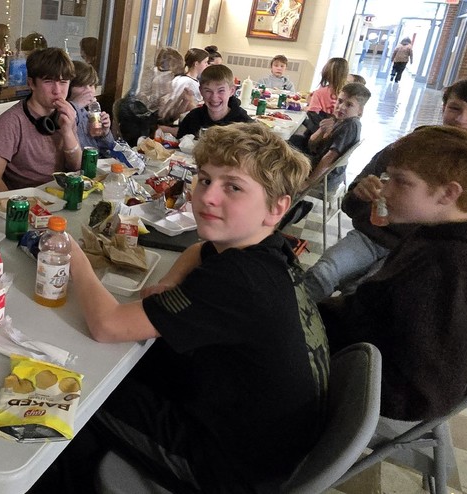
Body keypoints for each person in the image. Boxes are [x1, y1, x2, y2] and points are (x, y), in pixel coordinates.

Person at [31, 123, 330, 493]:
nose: (208, 198)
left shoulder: (240, 281)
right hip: (261, 434)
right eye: (205, 180)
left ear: (276, 208)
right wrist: (171, 282)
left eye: (233, 187)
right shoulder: (265, 251)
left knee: (80, 392)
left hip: (229, 468)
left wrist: (71, 255)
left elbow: (107, 325)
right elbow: (198, 250)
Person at [318, 126, 467, 421]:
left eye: (401, 182)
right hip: (358, 350)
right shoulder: (438, 235)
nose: (385, 190)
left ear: (448, 193)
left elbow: (416, 393)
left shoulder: (454, 269)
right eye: (388, 178)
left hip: (365, 385)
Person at [301, 77, 467, 302]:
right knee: (321, 273)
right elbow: (350, 202)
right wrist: (361, 194)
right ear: (444, 108)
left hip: (422, 255)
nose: (461, 119)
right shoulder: (406, 149)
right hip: (372, 238)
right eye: (455, 108)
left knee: (366, 294)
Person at [0, 47, 81, 192]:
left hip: (60, 196)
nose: (57, 90)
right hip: (28, 202)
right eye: (48, 81)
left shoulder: (66, 113)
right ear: (31, 83)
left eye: (63, 82)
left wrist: (67, 132)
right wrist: (21, 210)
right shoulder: (12, 121)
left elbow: (76, 166)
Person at [301, 82, 370, 192]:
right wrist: (321, 130)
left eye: (349, 105)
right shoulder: (340, 120)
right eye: (340, 101)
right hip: (320, 169)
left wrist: (309, 183)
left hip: (324, 179)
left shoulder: (350, 126)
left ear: (360, 111)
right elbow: (312, 145)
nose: (341, 107)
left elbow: (329, 158)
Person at [176, 64, 251, 139]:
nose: (214, 98)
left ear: (231, 91)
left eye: (221, 91)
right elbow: (179, 145)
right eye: (208, 91)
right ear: (201, 91)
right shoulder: (192, 118)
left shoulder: (244, 124)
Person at [68, 60, 115, 153]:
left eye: (91, 85)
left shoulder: (87, 114)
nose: (88, 91)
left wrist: (104, 134)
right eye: (81, 85)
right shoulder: (58, 113)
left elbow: (109, 153)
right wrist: (76, 106)